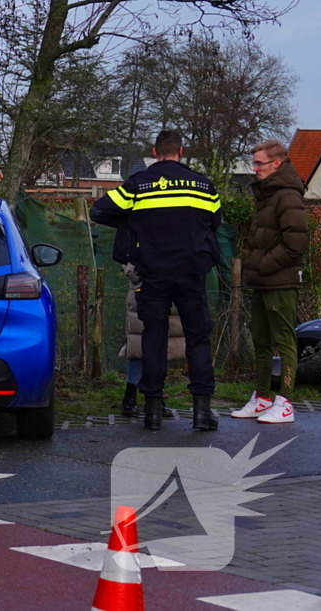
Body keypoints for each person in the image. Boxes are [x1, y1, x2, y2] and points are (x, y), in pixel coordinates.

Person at [91, 130, 222, 431]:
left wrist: (131, 220)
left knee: (154, 338)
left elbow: (100, 210)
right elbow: (214, 222)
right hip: (191, 274)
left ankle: (151, 411)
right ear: (181, 151)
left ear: (154, 151)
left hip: (152, 275)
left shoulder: (139, 185)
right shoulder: (204, 186)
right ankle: (202, 411)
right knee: (198, 339)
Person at [231, 139, 307, 424]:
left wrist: (263, 265)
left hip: (281, 282)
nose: (255, 169)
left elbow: (296, 243)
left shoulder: (287, 196)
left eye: (260, 163)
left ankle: (285, 402)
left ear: (277, 163)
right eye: (254, 163)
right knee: (261, 340)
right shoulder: (267, 195)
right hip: (262, 280)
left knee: (284, 341)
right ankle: (262, 397)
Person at [120, 263, 182, 418]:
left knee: (162, 345)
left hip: (170, 289)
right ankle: (131, 394)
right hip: (144, 289)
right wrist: (137, 274)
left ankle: (154, 396)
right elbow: (127, 254)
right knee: (138, 344)